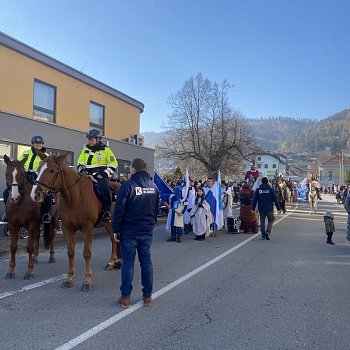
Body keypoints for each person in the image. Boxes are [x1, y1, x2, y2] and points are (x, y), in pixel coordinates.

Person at [112, 158, 159, 308]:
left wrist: (116, 229)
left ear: (133, 169)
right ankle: (147, 297)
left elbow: (119, 210)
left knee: (128, 263)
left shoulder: (127, 186)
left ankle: (125, 297)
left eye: (130, 168)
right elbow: (156, 209)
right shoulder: (154, 186)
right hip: (146, 230)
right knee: (146, 261)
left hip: (129, 230)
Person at [2, 135, 52, 223]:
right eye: (36, 143)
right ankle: (7, 213)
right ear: (33, 144)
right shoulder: (26, 152)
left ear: (42, 144)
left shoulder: (46, 155)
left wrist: (36, 174)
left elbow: (46, 168)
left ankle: (46, 214)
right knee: (6, 192)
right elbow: (19, 162)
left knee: (47, 194)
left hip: (38, 175)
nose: (38, 145)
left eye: (40, 143)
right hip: (25, 173)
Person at [77, 129, 118, 222]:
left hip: (100, 175)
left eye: (91, 139)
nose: (89, 141)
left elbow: (113, 164)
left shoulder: (106, 150)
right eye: (89, 139)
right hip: (86, 174)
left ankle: (106, 211)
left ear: (98, 139)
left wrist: (104, 174)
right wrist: (83, 170)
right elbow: (80, 161)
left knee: (105, 189)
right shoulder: (85, 149)